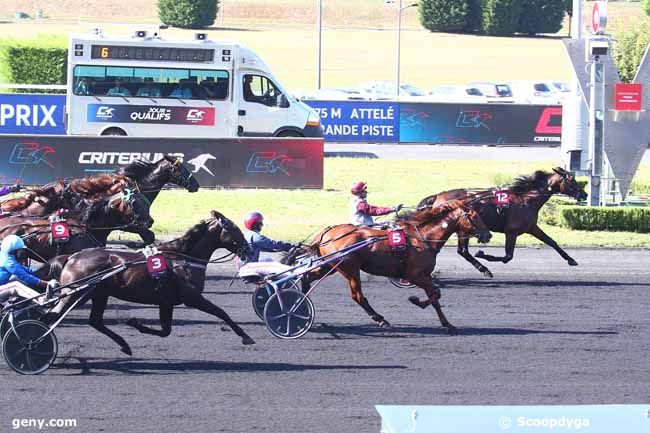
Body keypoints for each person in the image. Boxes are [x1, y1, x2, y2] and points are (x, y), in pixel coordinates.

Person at [0, 235, 59, 308]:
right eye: (20, 250)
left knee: (15, 278)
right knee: (15, 285)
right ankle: (41, 300)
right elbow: (24, 276)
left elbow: (21, 268)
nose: (22, 251)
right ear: (13, 250)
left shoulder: (5, 254)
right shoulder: (8, 262)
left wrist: (37, 273)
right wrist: (46, 283)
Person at [238, 211, 296, 276]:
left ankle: (275, 280)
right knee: (274, 266)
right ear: (255, 224)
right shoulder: (254, 236)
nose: (262, 225)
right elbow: (273, 244)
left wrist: (284, 248)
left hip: (246, 265)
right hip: (248, 267)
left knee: (269, 260)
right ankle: (297, 272)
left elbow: (270, 248)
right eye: (260, 223)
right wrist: (290, 246)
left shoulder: (247, 234)